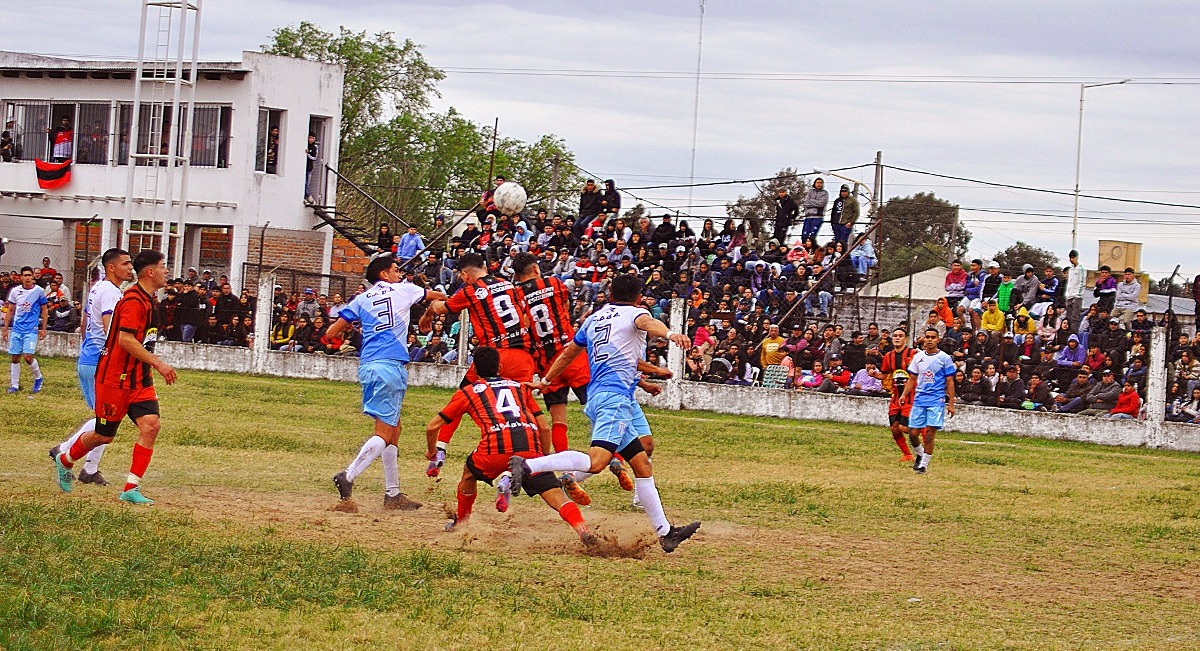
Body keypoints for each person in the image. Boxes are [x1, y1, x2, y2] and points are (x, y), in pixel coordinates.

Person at [517, 273, 701, 553]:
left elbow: (568, 354)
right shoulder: (635, 315)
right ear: (640, 298)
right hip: (614, 400)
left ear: (611, 294)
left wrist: (545, 381)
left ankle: (666, 532)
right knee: (597, 462)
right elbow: (648, 323)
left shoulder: (594, 319)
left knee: (642, 464)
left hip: (600, 396)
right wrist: (670, 333)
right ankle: (530, 466)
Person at [425, 347, 597, 544]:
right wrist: (543, 459)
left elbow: (432, 427)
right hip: (530, 447)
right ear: (500, 367)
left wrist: (432, 451)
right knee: (553, 492)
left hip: (494, 449)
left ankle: (462, 523)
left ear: (475, 371)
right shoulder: (519, 387)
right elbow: (544, 428)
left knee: (469, 473)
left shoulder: (468, 392)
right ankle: (582, 529)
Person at [53, 250, 177, 504]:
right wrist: (158, 363)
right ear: (151, 272)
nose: (167, 271)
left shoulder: (150, 300)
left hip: (138, 378)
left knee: (151, 425)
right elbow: (125, 339)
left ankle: (131, 488)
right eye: (164, 266)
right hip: (115, 378)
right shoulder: (132, 300)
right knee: (103, 435)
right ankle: (64, 460)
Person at [328, 254, 447, 508]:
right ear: (384, 275)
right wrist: (427, 315)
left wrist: (354, 330)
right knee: (385, 433)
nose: (399, 274)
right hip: (390, 366)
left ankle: (392, 494)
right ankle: (348, 476)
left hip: (369, 365)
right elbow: (440, 298)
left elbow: (330, 333)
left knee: (394, 428)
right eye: (395, 270)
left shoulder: (361, 299)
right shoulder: (403, 290)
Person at [50, 248, 135, 487]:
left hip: (91, 357)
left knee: (106, 418)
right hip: (99, 361)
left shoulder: (99, 287)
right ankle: (64, 451)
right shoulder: (110, 292)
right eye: (126, 264)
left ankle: (89, 468)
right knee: (106, 420)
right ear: (112, 267)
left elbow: (88, 320)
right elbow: (111, 331)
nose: (130, 268)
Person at [510, 252, 591, 454]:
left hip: (546, 364)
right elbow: (566, 307)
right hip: (571, 355)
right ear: (536, 269)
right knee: (597, 408)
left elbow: (523, 325)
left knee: (558, 419)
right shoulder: (554, 283)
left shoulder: (515, 295)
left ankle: (564, 467)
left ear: (517, 275)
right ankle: (616, 457)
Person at [899, 328, 956, 474]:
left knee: (930, 433)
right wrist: (904, 394)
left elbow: (950, 381)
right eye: (927, 337)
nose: (930, 339)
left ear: (938, 339)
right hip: (919, 399)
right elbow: (912, 378)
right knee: (912, 433)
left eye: (933, 337)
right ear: (924, 339)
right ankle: (920, 453)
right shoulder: (918, 357)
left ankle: (923, 465)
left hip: (936, 400)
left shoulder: (944, 358)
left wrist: (951, 404)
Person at [3, 266, 49, 393]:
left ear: (33, 276)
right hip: (17, 329)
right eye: (25, 275)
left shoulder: (39, 291)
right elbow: (10, 310)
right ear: (21, 277)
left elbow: (44, 310)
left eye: (29, 275)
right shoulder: (15, 291)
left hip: (31, 329)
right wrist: (5, 328)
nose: (27, 278)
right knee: (15, 357)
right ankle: (15, 385)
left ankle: (38, 377)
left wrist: (43, 328)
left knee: (28, 357)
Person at [875, 329, 917, 462]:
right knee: (894, 428)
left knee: (904, 427)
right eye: (895, 336)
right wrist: (874, 374)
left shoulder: (913, 354)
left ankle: (925, 433)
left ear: (906, 339)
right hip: (896, 397)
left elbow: (921, 373)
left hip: (911, 396)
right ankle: (907, 455)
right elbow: (885, 374)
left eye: (900, 336)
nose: (897, 338)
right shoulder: (888, 356)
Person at [800, 178, 828, 243]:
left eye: (820, 183)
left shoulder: (825, 193)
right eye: (817, 182)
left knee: (812, 236)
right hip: (808, 216)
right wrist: (815, 202)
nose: (819, 184)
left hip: (817, 217)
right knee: (804, 235)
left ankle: (811, 249)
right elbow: (806, 202)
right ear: (815, 183)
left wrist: (811, 201)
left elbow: (821, 204)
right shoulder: (810, 192)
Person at [1064, 250, 1086, 328]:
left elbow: (1082, 282)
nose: (1071, 259)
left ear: (1077, 257)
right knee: (1068, 316)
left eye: (1073, 257)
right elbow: (1069, 283)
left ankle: (1074, 332)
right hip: (1069, 295)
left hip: (1077, 296)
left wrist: (1078, 294)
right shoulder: (1070, 270)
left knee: (1075, 317)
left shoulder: (1081, 268)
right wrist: (1067, 294)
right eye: (1070, 258)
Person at [304, 132, 319, 204]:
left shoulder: (314, 147)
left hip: (309, 167)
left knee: (307, 183)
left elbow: (314, 158)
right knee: (303, 183)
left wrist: (308, 154)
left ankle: (308, 197)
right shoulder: (304, 144)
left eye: (313, 138)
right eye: (310, 137)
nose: (311, 139)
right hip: (303, 167)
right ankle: (305, 197)